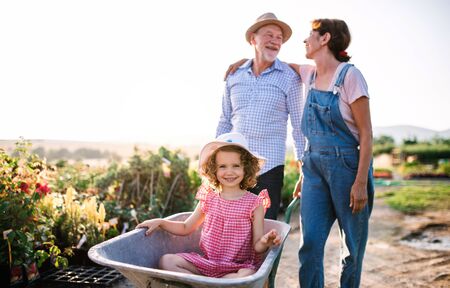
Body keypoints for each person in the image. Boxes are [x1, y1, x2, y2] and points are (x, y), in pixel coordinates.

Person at [136, 132, 282, 279]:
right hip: (207, 263)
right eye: (222, 166)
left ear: (246, 168)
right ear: (214, 169)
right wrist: (161, 222)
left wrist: (265, 241)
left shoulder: (254, 203)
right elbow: (186, 227)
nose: (229, 172)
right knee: (167, 261)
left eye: (236, 166)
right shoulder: (209, 198)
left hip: (237, 268)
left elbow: (257, 247)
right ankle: (209, 283)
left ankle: (206, 283)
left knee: (247, 275)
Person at [217, 12, 305, 220]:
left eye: (279, 38)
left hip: (269, 169)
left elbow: (299, 127)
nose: (275, 41)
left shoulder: (290, 78)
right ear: (252, 39)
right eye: (269, 35)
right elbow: (224, 120)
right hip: (233, 168)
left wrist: (304, 169)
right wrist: (215, 161)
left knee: (263, 234)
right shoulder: (234, 75)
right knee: (231, 230)